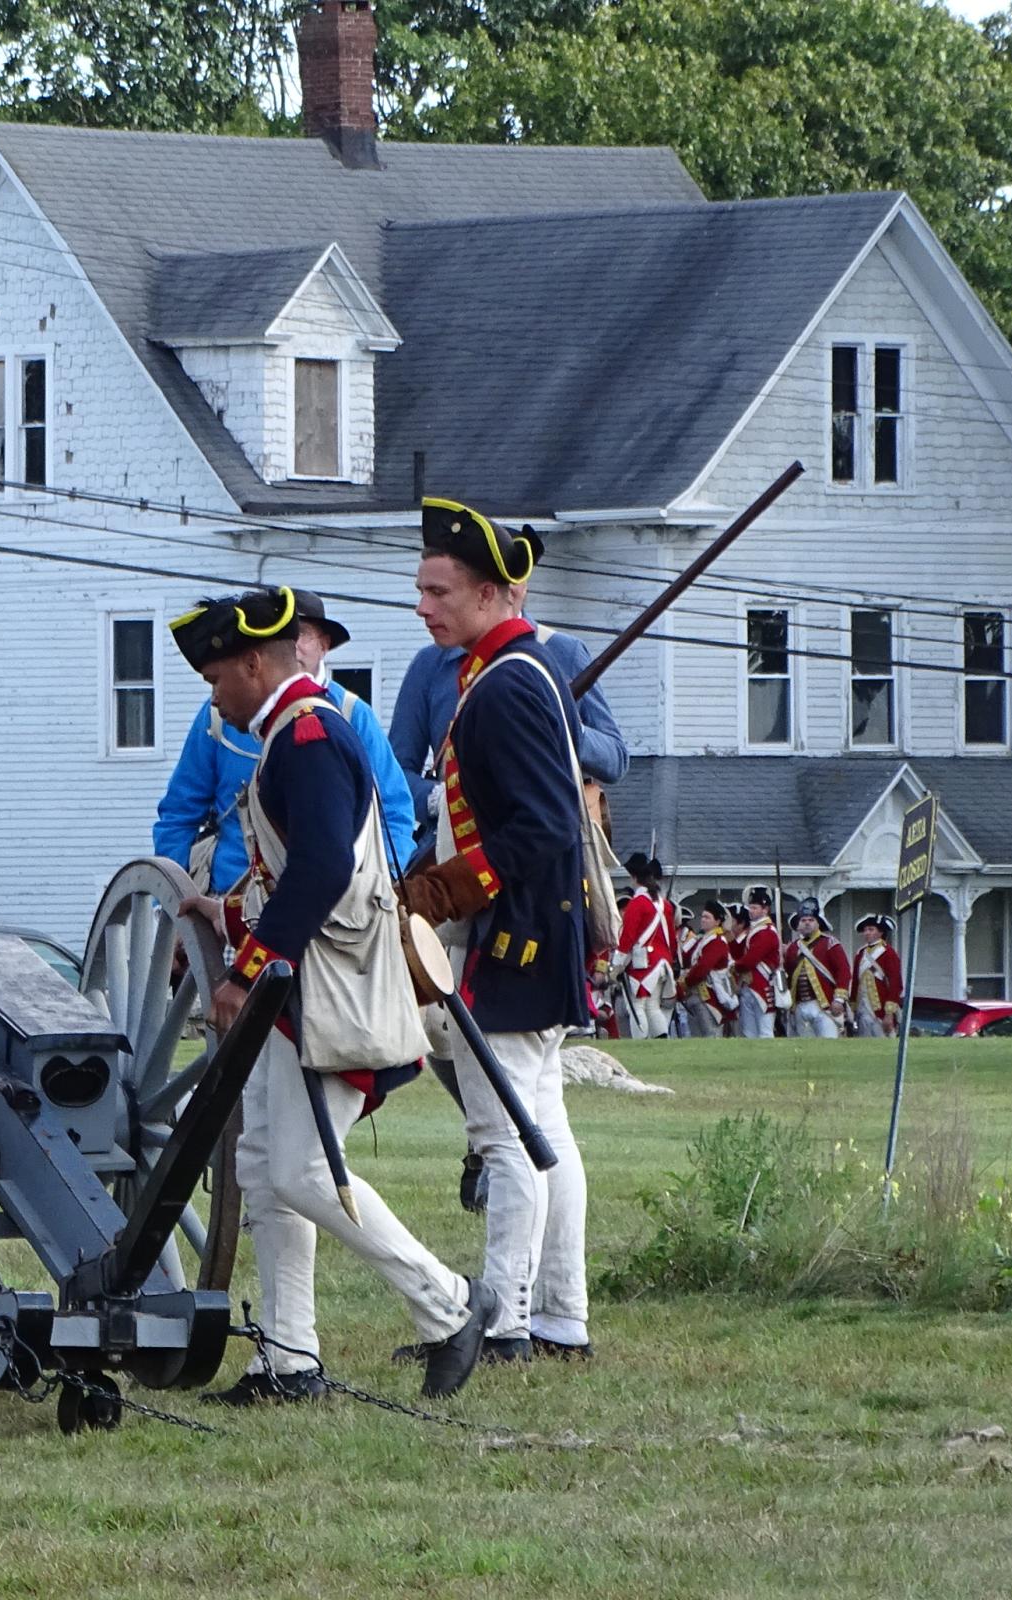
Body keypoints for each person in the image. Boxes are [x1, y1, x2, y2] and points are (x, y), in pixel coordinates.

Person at [171, 587, 494, 1406]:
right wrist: (230, 911)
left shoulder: (308, 737)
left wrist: (245, 971)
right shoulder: (294, 732)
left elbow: (323, 870)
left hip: (330, 988)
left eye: (217, 678)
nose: (213, 698)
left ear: (253, 663)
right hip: (306, 985)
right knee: (263, 1165)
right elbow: (291, 869)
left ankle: (448, 1305)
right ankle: (288, 1359)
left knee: (304, 1172)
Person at [397, 497, 595, 1363]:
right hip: (529, 936)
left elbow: (547, 825)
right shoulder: (504, 670)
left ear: (488, 593)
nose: (423, 605)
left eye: (438, 589)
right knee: (542, 1128)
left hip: (511, 939)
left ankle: (506, 1321)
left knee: (502, 1133)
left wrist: (445, 889)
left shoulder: (509, 682)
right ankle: (560, 1316)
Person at [385, 534, 630, 864]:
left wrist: (560, 726)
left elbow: (615, 759)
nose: (424, 607)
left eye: (438, 592)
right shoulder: (428, 666)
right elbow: (396, 770)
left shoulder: (563, 652)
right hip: (450, 843)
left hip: (538, 850)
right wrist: (437, 800)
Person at [153, 591, 416, 887]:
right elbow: (180, 811)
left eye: (301, 634)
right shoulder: (218, 716)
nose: (293, 646)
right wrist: (176, 903)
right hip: (229, 891)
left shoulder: (351, 715)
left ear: (324, 645)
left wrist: (376, 886)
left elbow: (394, 812)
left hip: (320, 901)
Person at [613, 853, 675, 1039]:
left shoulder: (637, 903)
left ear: (634, 877)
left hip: (645, 963)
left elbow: (628, 937)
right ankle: (661, 1042)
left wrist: (617, 964)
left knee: (637, 1006)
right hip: (663, 961)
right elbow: (671, 938)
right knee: (652, 1006)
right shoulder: (665, 904)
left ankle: (640, 1044)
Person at [782, 900, 852, 1038]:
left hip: (824, 1005)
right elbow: (788, 975)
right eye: (803, 920)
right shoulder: (793, 948)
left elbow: (843, 972)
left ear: (818, 923)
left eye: (811, 920)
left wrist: (838, 1000)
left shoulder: (830, 944)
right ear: (798, 925)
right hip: (800, 1005)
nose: (807, 923)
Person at [676, 905, 733, 1040]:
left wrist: (684, 984)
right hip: (695, 995)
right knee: (697, 1037)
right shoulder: (702, 939)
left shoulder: (717, 941)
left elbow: (703, 968)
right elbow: (683, 958)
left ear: (717, 921)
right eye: (702, 916)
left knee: (710, 1035)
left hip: (708, 996)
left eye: (707, 917)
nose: (703, 920)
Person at [733, 888, 783, 1039]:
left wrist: (734, 966)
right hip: (750, 986)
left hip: (762, 986)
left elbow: (751, 959)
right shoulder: (756, 930)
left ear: (765, 909)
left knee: (765, 1031)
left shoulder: (767, 931)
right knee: (749, 1032)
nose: (751, 911)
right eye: (751, 907)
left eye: (755, 908)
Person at [852, 915, 905, 1037]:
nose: (867, 933)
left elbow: (895, 984)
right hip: (862, 1008)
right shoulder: (860, 953)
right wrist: (853, 1007)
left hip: (880, 1008)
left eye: (871, 929)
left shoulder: (888, 952)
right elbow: (856, 982)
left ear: (880, 932)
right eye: (865, 930)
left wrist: (889, 1013)